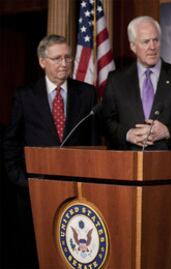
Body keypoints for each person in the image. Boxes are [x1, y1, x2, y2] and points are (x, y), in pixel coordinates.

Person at [2, 34, 99, 268]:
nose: (64, 63)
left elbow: (95, 143)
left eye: (68, 57)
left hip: (78, 193)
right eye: (57, 58)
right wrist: (22, 180)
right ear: (42, 61)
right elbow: (11, 143)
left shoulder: (86, 93)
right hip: (33, 192)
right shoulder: (25, 96)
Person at [102, 16, 171, 150]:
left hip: (170, 162)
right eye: (146, 42)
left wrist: (168, 131)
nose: (152, 47)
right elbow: (106, 121)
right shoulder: (116, 80)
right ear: (133, 46)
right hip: (128, 162)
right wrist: (128, 134)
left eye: (155, 40)